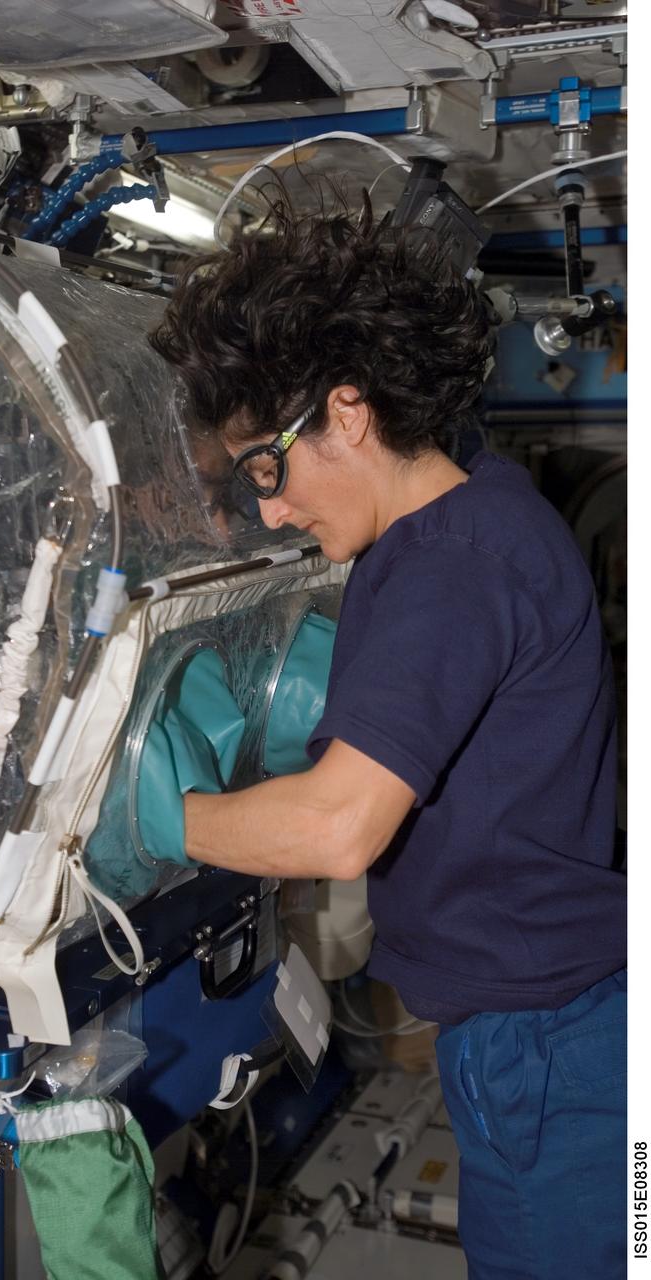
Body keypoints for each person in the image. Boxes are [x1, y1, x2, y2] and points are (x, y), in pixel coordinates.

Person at [147, 197, 627, 1279]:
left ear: (348, 410)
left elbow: (336, 828)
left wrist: (138, 821)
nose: (268, 509)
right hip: (573, 1015)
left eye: (265, 469)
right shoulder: (478, 502)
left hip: (553, 1045)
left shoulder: (446, 565)